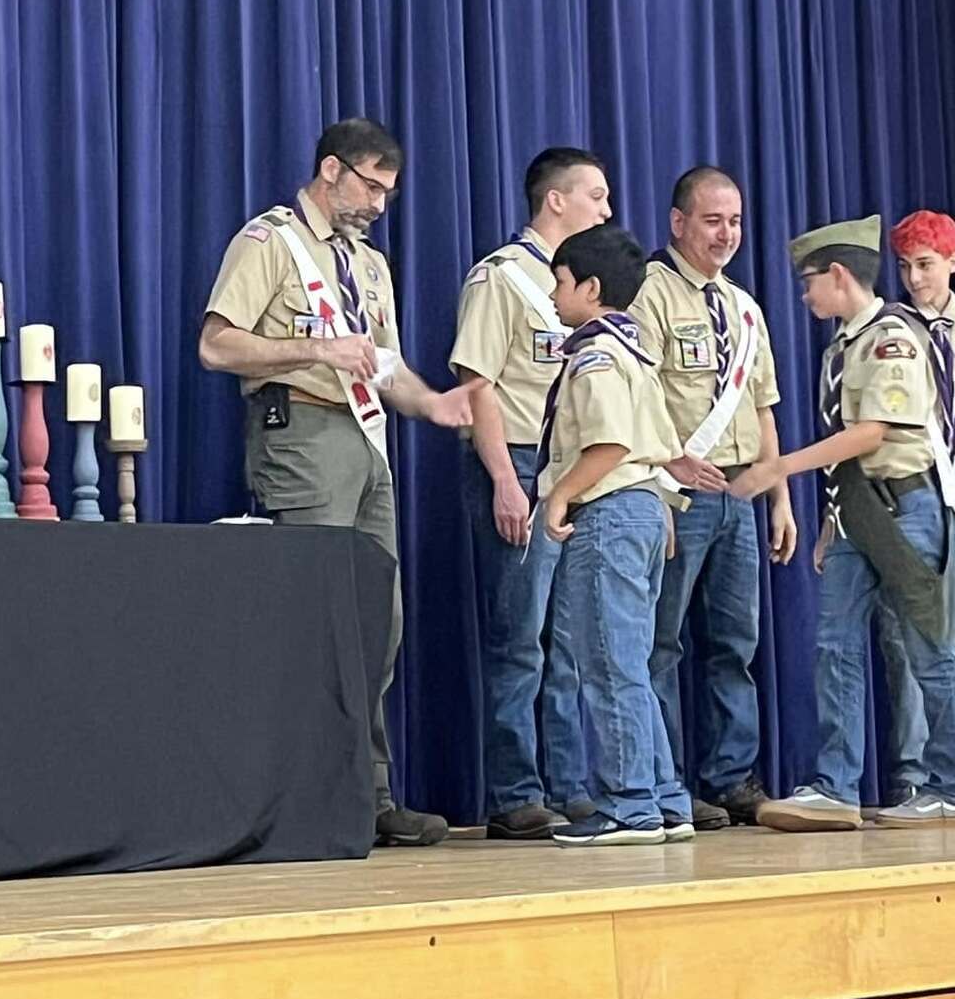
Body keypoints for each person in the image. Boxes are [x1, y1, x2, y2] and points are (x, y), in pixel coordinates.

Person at [199, 119, 472, 848]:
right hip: (303, 435)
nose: (380, 203)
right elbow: (216, 342)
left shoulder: (370, 266)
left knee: (376, 620)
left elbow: (384, 365)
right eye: (371, 185)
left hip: (369, 439)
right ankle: (301, 795)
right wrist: (315, 346)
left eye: (389, 191)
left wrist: (433, 402)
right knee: (314, 619)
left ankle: (369, 790)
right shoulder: (271, 242)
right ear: (331, 169)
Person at [739, 217, 955, 832]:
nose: (804, 296)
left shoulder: (891, 340)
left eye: (809, 283)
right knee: (834, 646)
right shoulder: (842, 347)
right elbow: (846, 446)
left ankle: (948, 786)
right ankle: (836, 784)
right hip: (857, 513)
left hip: (908, 509)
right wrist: (829, 518)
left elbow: (873, 432)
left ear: (839, 276)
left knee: (930, 652)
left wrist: (779, 468)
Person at [448, 148, 611, 839]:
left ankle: (569, 783)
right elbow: (477, 381)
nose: (606, 210)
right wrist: (505, 481)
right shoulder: (503, 278)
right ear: (555, 201)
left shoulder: (581, 285)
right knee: (520, 638)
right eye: (596, 196)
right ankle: (516, 790)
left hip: (570, 468)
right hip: (516, 460)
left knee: (569, 638)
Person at [629, 167, 797, 829]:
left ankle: (730, 776)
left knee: (735, 643)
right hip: (678, 493)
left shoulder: (745, 307)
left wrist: (780, 496)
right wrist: (661, 479)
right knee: (662, 641)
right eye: (710, 220)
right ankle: (667, 779)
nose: (725, 233)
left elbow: (763, 408)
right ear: (678, 222)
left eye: (733, 221)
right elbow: (635, 394)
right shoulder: (650, 292)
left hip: (739, 492)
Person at [536, 225, 692, 846]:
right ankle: (664, 797)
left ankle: (629, 804)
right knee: (632, 661)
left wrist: (560, 493)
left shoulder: (596, 356)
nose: (552, 295)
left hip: (610, 512)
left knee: (607, 663)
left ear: (591, 288)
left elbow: (610, 444)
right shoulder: (634, 350)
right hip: (646, 508)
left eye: (561, 281)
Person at [876, 210, 955, 814]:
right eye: (903, 267)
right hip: (906, 484)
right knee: (906, 635)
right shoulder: (885, 331)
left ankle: (945, 777)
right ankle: (911, 773)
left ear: (953, 262)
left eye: (925, 265)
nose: (914, 278)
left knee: (945, 634)